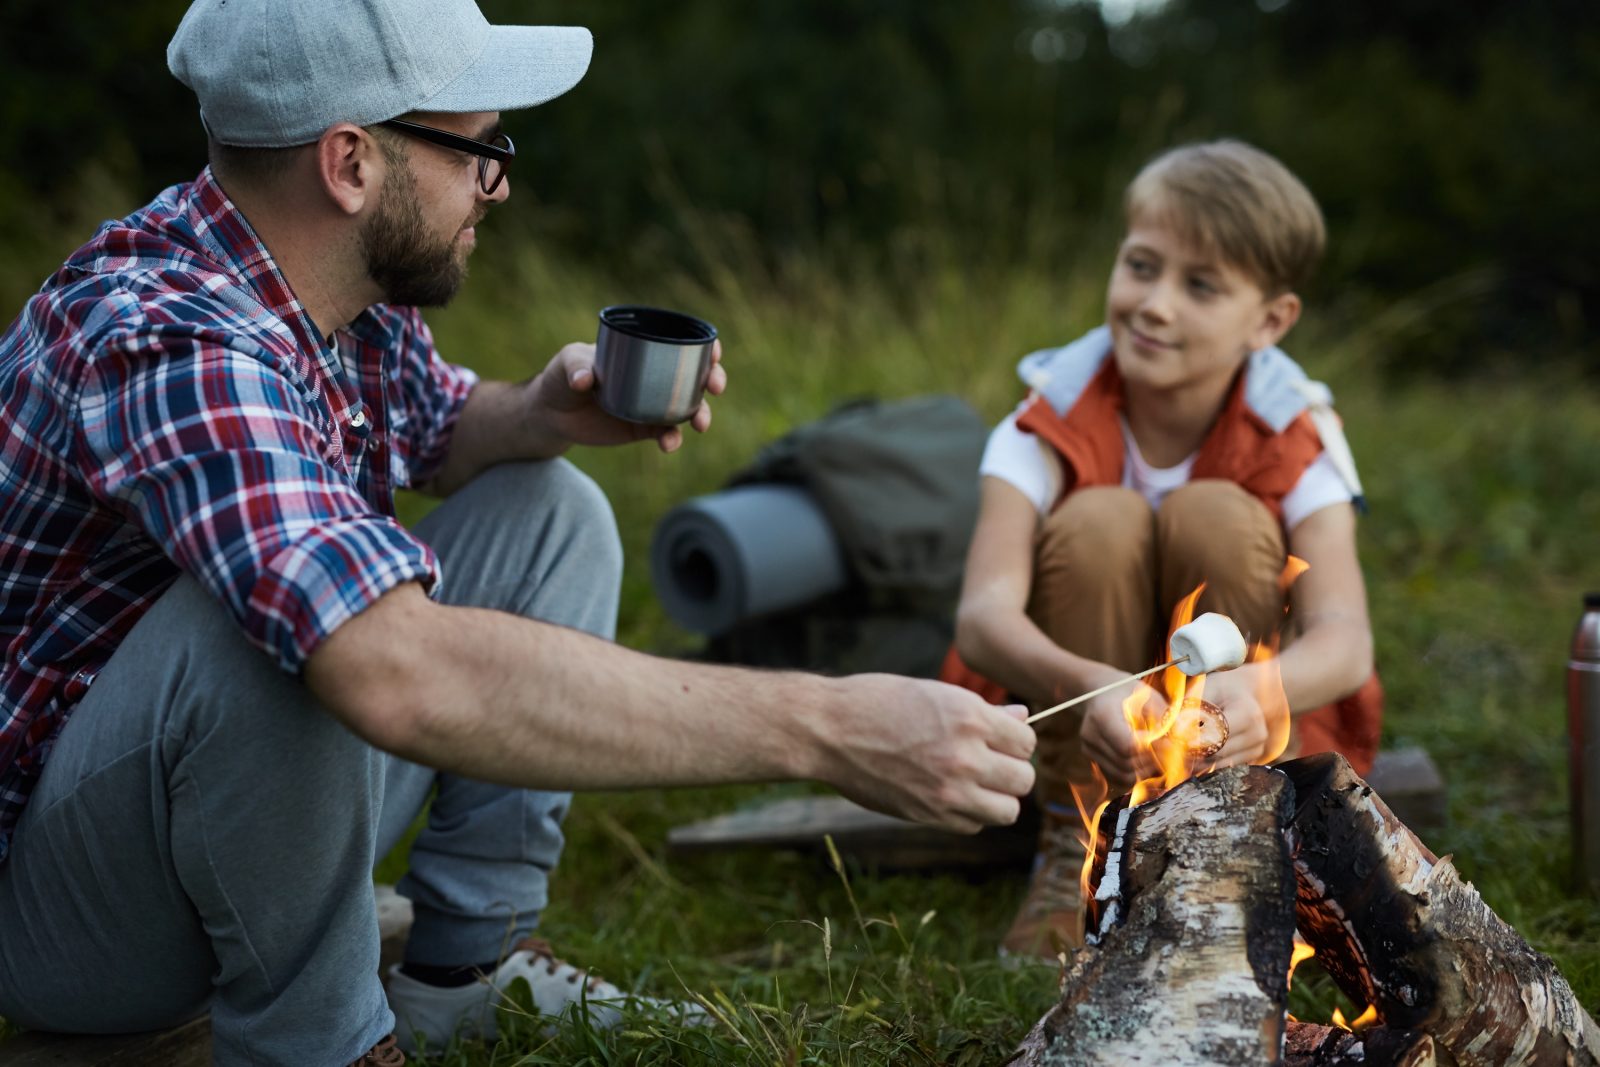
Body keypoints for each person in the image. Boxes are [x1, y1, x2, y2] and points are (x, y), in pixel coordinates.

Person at [0, 1, 1037, 1063]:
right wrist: (829, 727)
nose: (498, 183)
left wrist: (536, 415)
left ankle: (466, 966)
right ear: (350, 163)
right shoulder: (171, 337)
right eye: (477, 150)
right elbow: (392, 670)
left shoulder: (335, 280)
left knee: (550, 506)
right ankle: (322, 1041)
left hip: (198, 808)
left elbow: (436, 428)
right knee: (294, 631)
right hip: (67, 913)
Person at [944, 140, 1382, 960]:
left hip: (1229, 716)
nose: (1154, 303)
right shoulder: (1049, 415)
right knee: (1099, 518)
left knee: (1218, 510)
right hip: (1088, 696)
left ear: (1271, 320)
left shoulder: (1295, 431)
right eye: (1141, 265)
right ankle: (1074, 844)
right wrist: (1088, 684)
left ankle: (1216, 844)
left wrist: (1260, 687)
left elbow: (1346, 638)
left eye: (1200, 285)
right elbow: (981, 615)